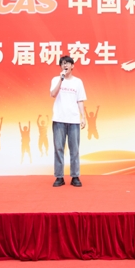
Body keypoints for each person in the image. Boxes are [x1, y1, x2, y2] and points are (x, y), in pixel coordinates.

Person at [49, 55, 87, 187]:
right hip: (59, 119)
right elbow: (53, 94)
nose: (65, 65)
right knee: (58, 148)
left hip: (73, 120)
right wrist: (61, 79)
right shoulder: (56, 79)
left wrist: (83, 117)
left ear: (72, 66)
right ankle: (59, 177)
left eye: (67, 63)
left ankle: (75, 176)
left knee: (74, 149)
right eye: (63, 64)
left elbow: (80, 100)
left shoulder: (78, 82)